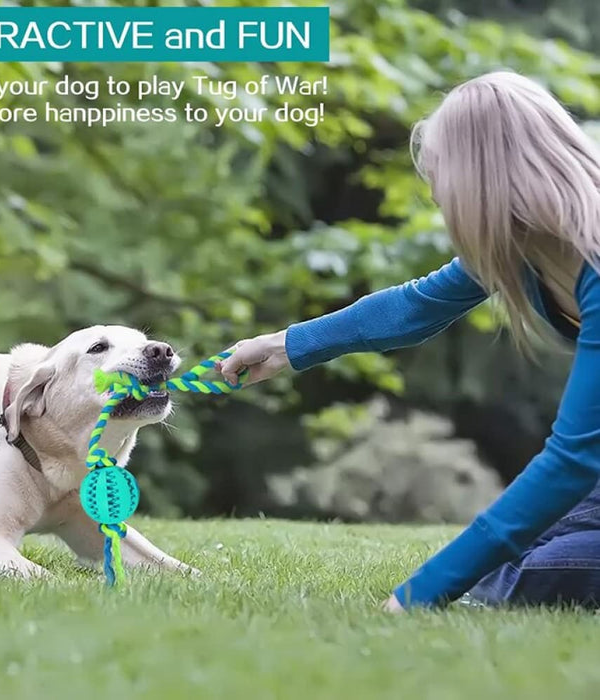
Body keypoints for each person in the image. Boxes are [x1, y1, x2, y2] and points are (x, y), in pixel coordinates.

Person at [217, 71, 600, 611]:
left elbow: (573, 461)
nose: (439, 200)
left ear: (481, 183)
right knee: (516, 555)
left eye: (441, 182)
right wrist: (286, 345)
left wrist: (419, 594)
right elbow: (415, 305)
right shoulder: (525, 248)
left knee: (536, 575)